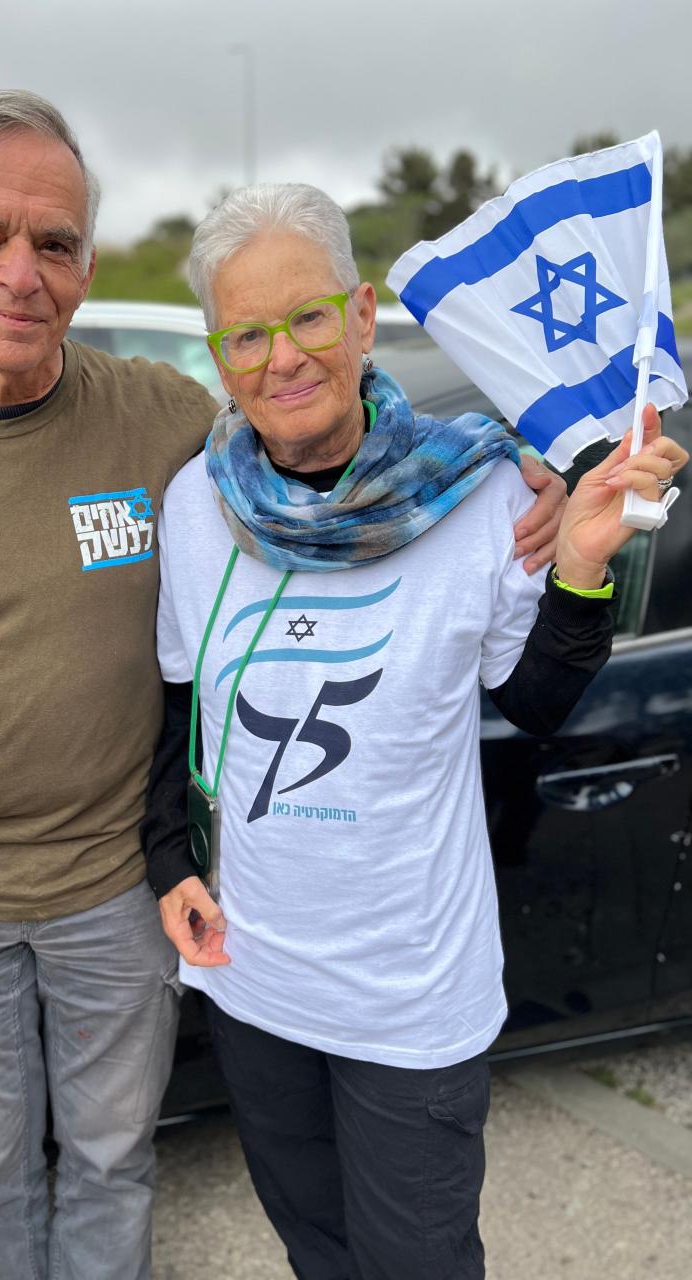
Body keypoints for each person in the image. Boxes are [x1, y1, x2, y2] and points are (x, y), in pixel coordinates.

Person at [0, 95, 564, 1280]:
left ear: (87, 265)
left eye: (56, 244)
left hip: (115, 896)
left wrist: (525, 460)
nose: (20, 274)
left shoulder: (166, 424)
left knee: (111, 1164)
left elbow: (320, 455)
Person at [149, 183, 688, 1280]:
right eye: (245, 333)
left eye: (305, 317)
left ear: (357, 317)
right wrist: (167, 857)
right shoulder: (197, 502)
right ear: (219, 354)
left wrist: (582, 567)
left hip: (409, 1003)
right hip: (254, 987)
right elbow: (175, 703)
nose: (281, 357)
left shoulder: (483, 488)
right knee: (317, 1248)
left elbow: (535, 702)